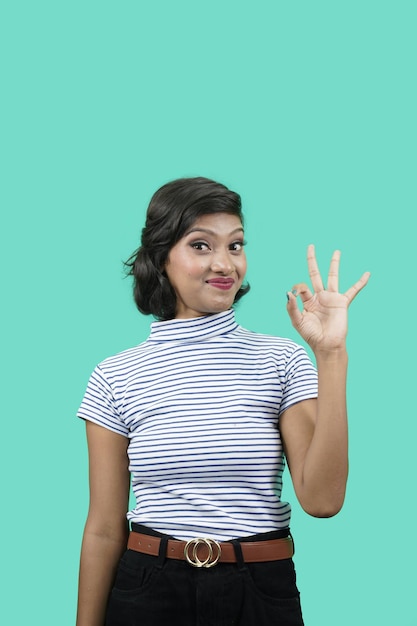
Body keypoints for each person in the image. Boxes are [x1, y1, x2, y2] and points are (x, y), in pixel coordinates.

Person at [76, 177, 370, 626]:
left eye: (235, 246)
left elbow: (323, 499)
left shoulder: (281, 360)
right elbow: (102, 527)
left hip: (260, 587)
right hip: (149, 590)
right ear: (161, 259)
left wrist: (330, 355)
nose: (224, 264)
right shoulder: (115, 376)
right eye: (200, 245)